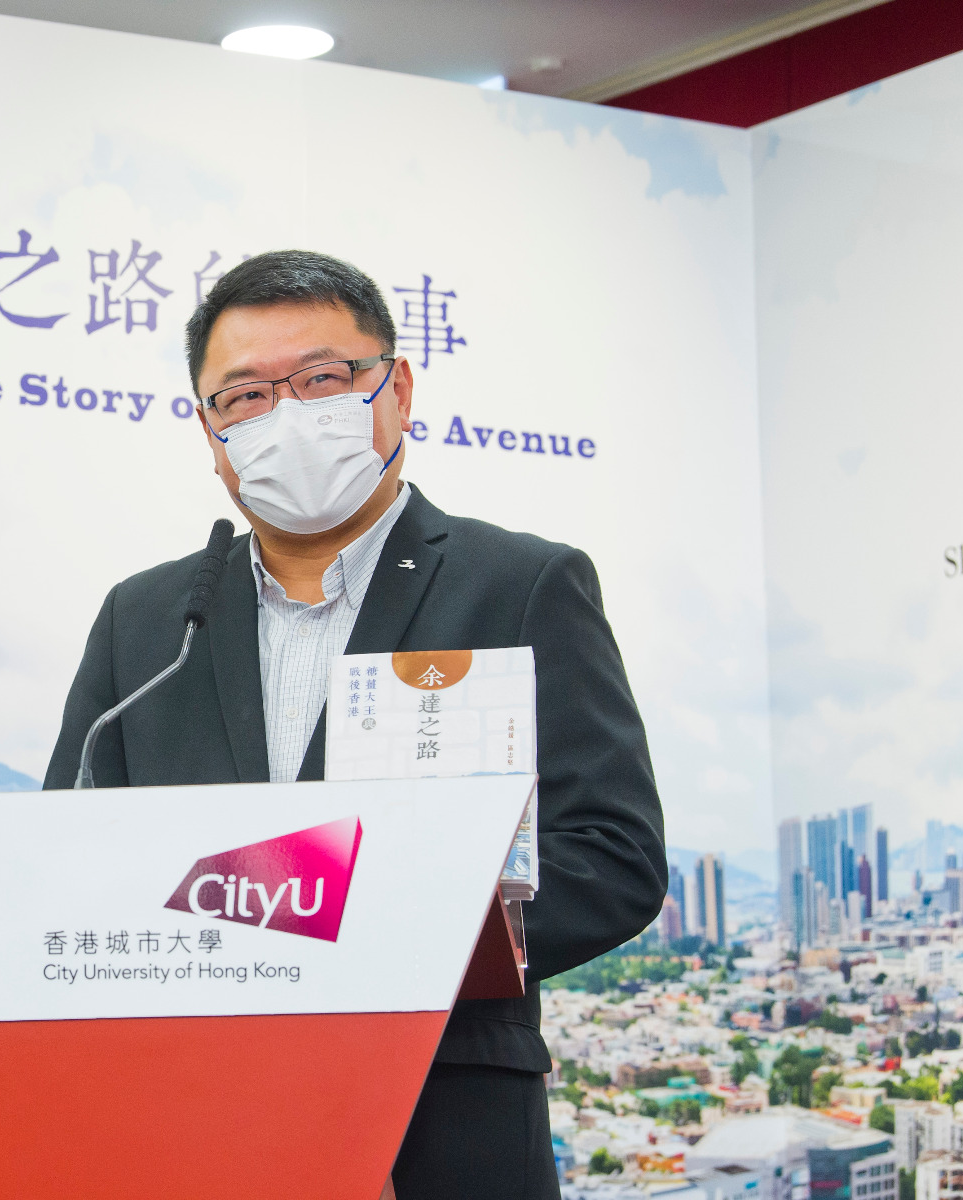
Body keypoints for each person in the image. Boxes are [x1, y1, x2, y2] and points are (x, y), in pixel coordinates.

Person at [43, 250, 666, 1199]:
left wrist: (358, 921)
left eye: (322, 379)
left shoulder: (520, 586)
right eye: (245, 396)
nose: (286, 417)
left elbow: (612, 858)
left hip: (441, 1128)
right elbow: (67, 861)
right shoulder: (147, 620)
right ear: (210, 432)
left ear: (396, 388)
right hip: (198, 1121)